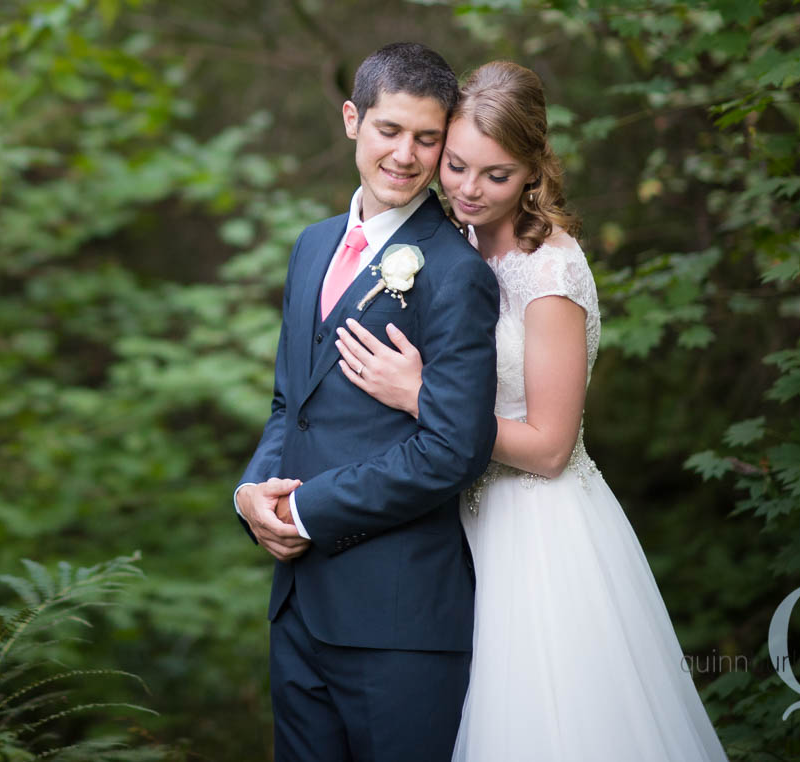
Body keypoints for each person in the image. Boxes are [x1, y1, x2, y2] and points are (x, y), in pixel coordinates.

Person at [333, 60, 728, 761]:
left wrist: (419, 394)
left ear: (533, 171)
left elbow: (550, 446)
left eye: (497, 175)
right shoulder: (448, 245)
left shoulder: (551, 273)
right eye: (455, 166)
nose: (467, 190)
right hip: (453, 522)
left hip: (537, 532)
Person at [234, 42, 500, 762]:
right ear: (353, 119)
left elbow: (453, 451)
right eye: (390, 130)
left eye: (426, 138)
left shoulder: (455, 273)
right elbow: (292, 405)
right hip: (296, 609)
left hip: (400, 621)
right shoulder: (311, 247)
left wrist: (310, 511)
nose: (406, 156)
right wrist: (253, 492)